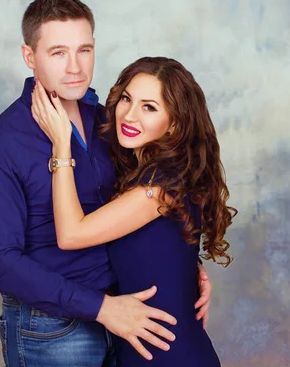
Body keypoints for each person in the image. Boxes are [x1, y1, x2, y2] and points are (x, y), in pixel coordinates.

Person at [0, 0, 213, 367]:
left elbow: (146, 211)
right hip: (53, 330)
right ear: (29, 56)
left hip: (129, 317)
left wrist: (184, 268)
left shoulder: (112, 123)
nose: (75, 68)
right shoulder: (1, 143)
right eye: (57, 53)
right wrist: (100, 308)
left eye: (83, 50)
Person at [30, 56, 237, 366]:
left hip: (171, 358)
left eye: (149, 107)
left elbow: (72, 234)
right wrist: (189, 269)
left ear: (175, 124)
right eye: (127, 99)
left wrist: (62, 144)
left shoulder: (162, 184)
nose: (129, 115)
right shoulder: (152, 174)